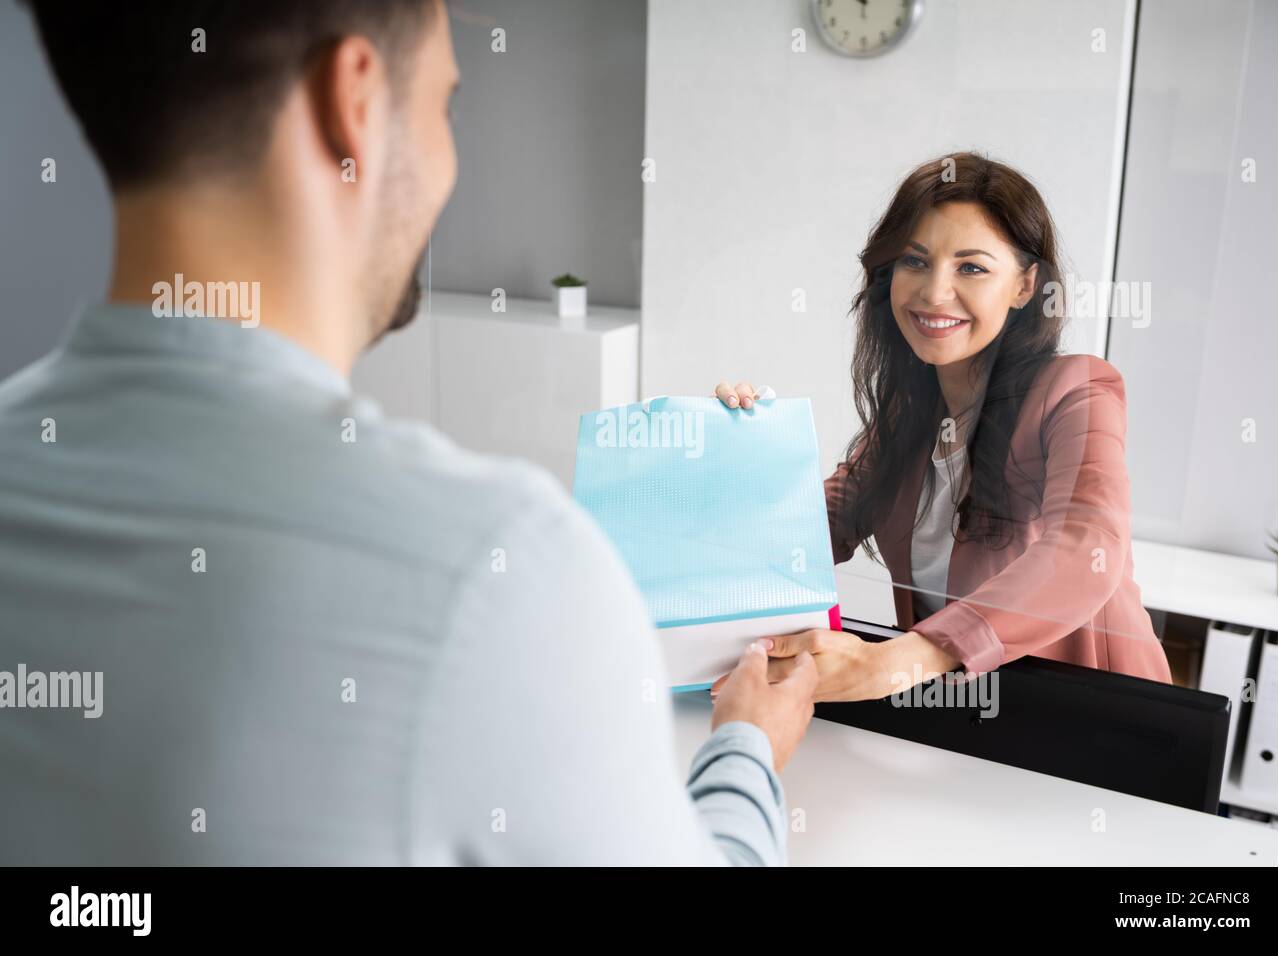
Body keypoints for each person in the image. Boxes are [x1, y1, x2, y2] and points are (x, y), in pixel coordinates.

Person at [0, 0, 816, 865]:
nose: (448, 158)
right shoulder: (497, 568)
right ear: (352, 101)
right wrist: (747, 748)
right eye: (444, 104)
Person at [713, 153, 1172, 704]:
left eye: (971, 267)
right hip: (964, 717)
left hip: (1098, 719)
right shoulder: (905, 420)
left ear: (1025, 285)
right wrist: (741, 447)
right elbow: (805, 534)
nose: (933, 293)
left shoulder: (1077, 390)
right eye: (914, 261)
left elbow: (1085, 548)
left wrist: (892, 665)